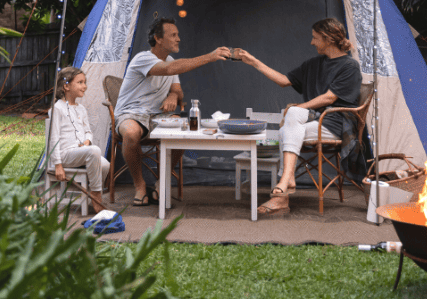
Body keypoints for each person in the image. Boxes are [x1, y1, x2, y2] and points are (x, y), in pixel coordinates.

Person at [238, 17, 362, 215]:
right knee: (287, 129)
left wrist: (296, 108)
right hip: (312, 122)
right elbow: (284, 81)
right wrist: (254, 62)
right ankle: (286, 184)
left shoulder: (349, 66)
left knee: (288, 124)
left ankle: (283, 190)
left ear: (328, 38)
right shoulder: (314, 64)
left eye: (315, 38)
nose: (312, 42)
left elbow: (329, 98)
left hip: (335, 124)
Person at [114, 17, 231, 206]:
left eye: (178, 35)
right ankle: (140, 186)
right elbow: (168, 70)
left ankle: (162, 180)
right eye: (173, 35)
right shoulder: (143, 59)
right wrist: (210, 56)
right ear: (158, 39)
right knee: (131, 132)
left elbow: (177, 89)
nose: (178, 39)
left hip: (158, 115)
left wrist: (173, 96)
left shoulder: (171, 60)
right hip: (132, 113)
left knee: (184, 129)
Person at [50, 67, 110, 213]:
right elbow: (53, 138)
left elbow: (88, 131)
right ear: (66, 86)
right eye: (80, 82)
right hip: (65, 155)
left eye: (85, 82)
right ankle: (96, 197)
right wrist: (58, 165)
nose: (85, 86)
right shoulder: (57, 109)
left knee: (105, 164)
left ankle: (94, 192)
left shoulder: (81, 109)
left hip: (80, 151)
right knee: (95, 151)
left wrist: (87, 141)